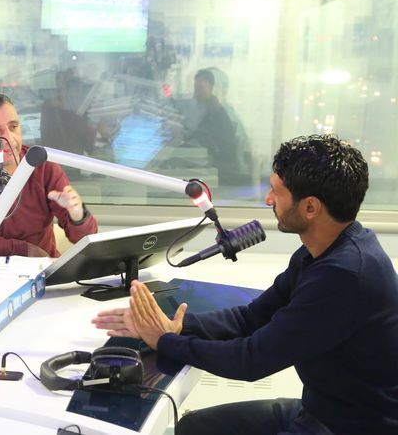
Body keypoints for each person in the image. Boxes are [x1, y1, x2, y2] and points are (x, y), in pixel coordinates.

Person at [93, 134, 398, 434]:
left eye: (276, 192)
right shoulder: (319, 252)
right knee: (194, 427)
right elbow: (251, 318)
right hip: (320, 410)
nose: (268, 200)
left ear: (310, 207)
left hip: (350, 426)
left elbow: (251, 360)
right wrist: (178, 326)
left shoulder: (344, 275)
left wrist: (164, 341)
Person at [0, 92, 97, 257]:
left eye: (13, 127)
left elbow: (85, 239)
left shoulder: (43, 167)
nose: (9, 138)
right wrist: (23, 249)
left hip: (40, 269)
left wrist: (78, 216)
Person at [187, 69, 247, 187]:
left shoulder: (213, 108)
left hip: (220, 167)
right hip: (214, 160)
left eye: (200, 88)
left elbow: (207, 137)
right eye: (195, 88)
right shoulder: (205, 106)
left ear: (210, 87)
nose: (196, 93)